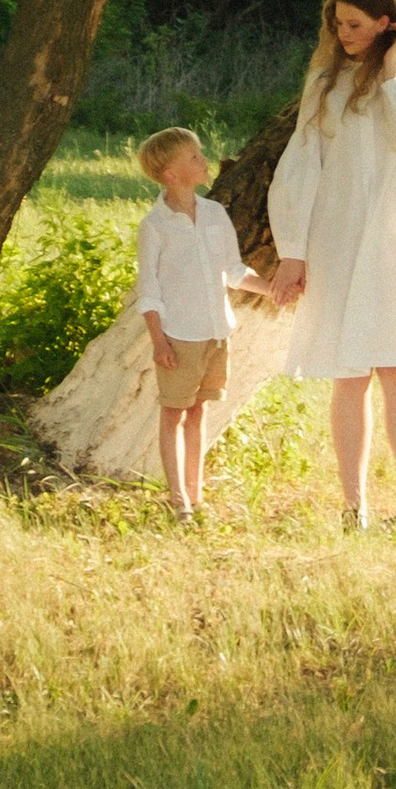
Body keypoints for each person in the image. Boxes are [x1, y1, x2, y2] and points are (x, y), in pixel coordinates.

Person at [267, 0, 396, 528]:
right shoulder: (325, 83)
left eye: (355, 24)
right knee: (350, 374)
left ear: (385, 24)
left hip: (394, 240)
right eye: (338, 23)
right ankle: (353, 507)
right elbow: (301, 165)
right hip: (336, 238)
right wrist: (292, 250)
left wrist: (389, 68)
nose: (343, 33)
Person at [134, 125, 270, 520]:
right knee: (173, 413)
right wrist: (159, 341)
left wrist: (272, 289)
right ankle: (178, 499)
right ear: (171, 174)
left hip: (217, 332)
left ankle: (196, 495)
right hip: (179, 336)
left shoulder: (214, 214)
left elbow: (233, 270)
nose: (203, 160)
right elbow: (149, 291)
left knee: (198, 412)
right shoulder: (155, 226)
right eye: (194, 157)